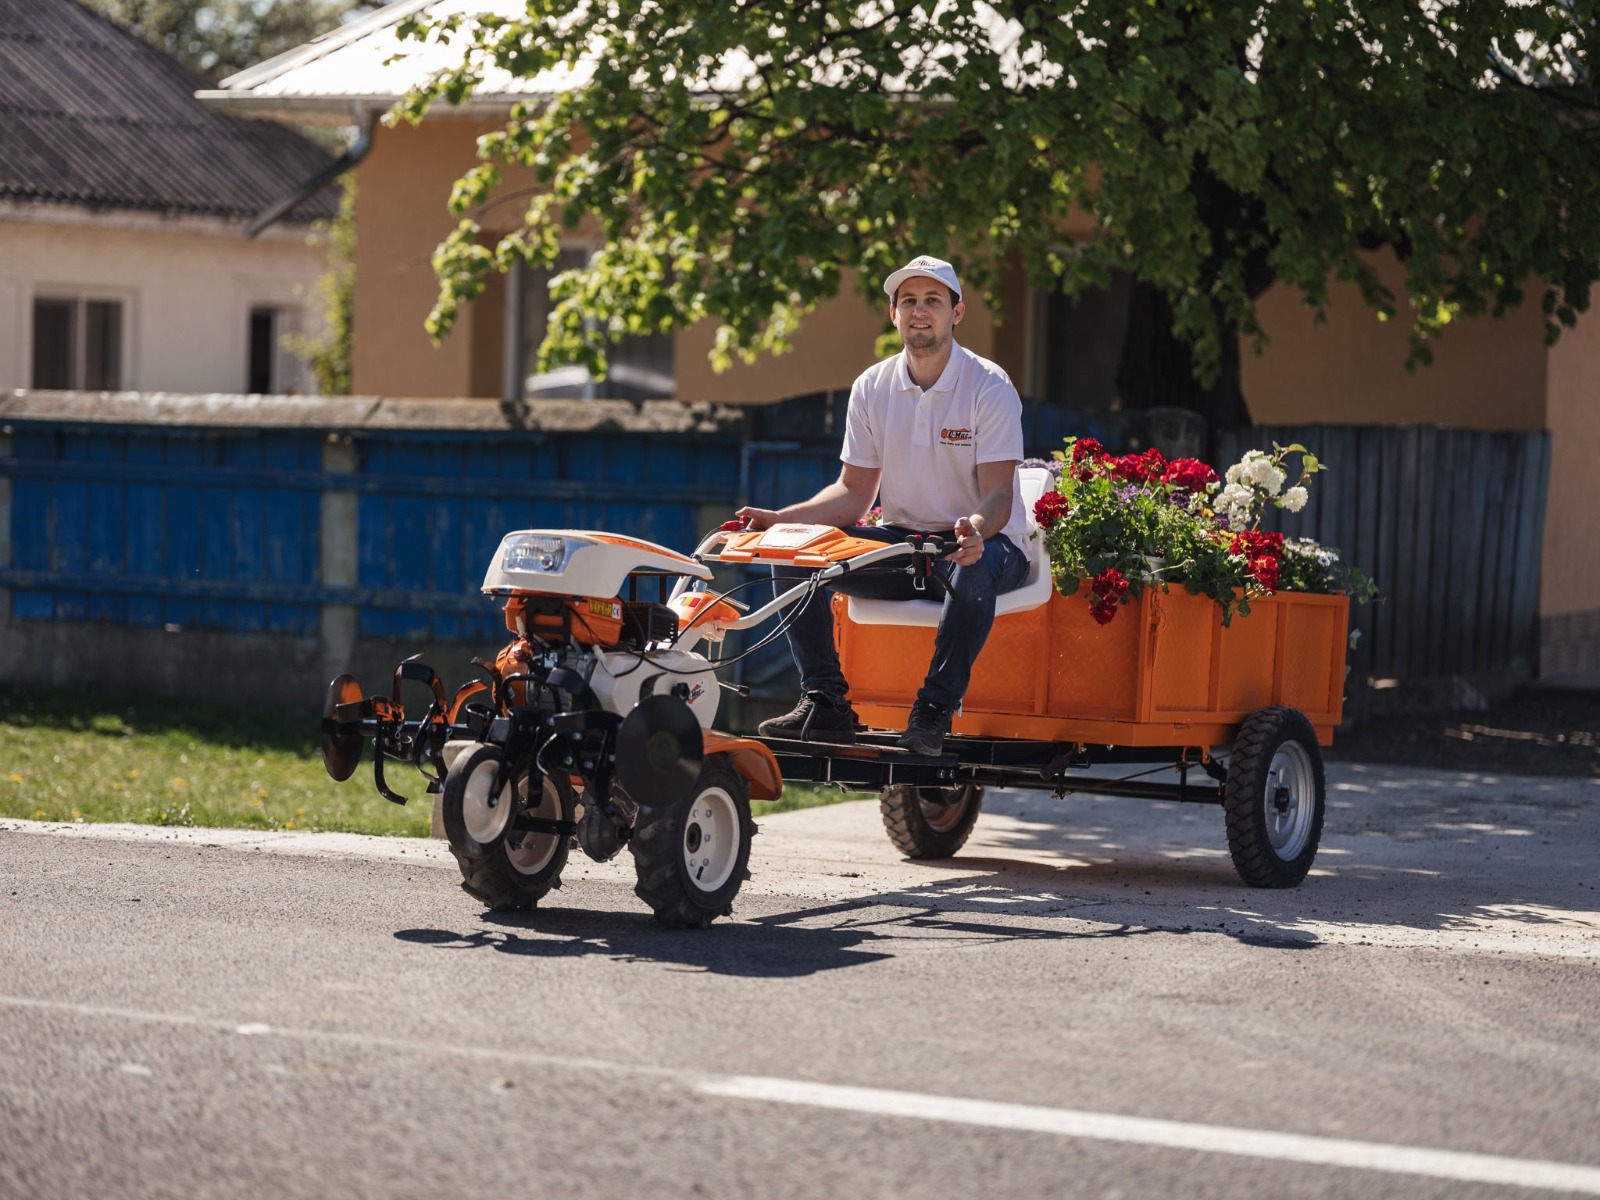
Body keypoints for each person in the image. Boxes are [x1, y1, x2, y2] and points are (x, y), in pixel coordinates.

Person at [736, 254, 1030, 755]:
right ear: (893, 313)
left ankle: (933, 711)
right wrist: (779, 521)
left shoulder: (989, 384)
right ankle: (825, 702)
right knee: (792, 554)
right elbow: (853, 494)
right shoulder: (871, 387)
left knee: (973, 569)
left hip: (989, 547)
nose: (920, 310)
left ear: (957, 313)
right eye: (908, 301)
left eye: (933, 300)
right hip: (906, 548)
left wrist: (975, 529)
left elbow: (999, 493)